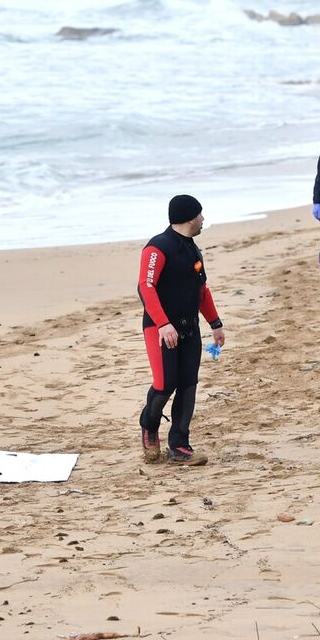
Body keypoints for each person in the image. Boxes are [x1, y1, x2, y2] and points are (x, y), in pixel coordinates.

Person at [137, 194, 226, 465]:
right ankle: (149, 426)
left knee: (188, 386)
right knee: (165, 385)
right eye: (200, 215)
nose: (203, 219)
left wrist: (215, 323)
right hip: (160, 330)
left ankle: (179, 445)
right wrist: (163, 324)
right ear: (189, 217)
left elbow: (202, 290)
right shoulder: (157, 248)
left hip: (189, 330)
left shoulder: (192, 249)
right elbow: (145, 286)